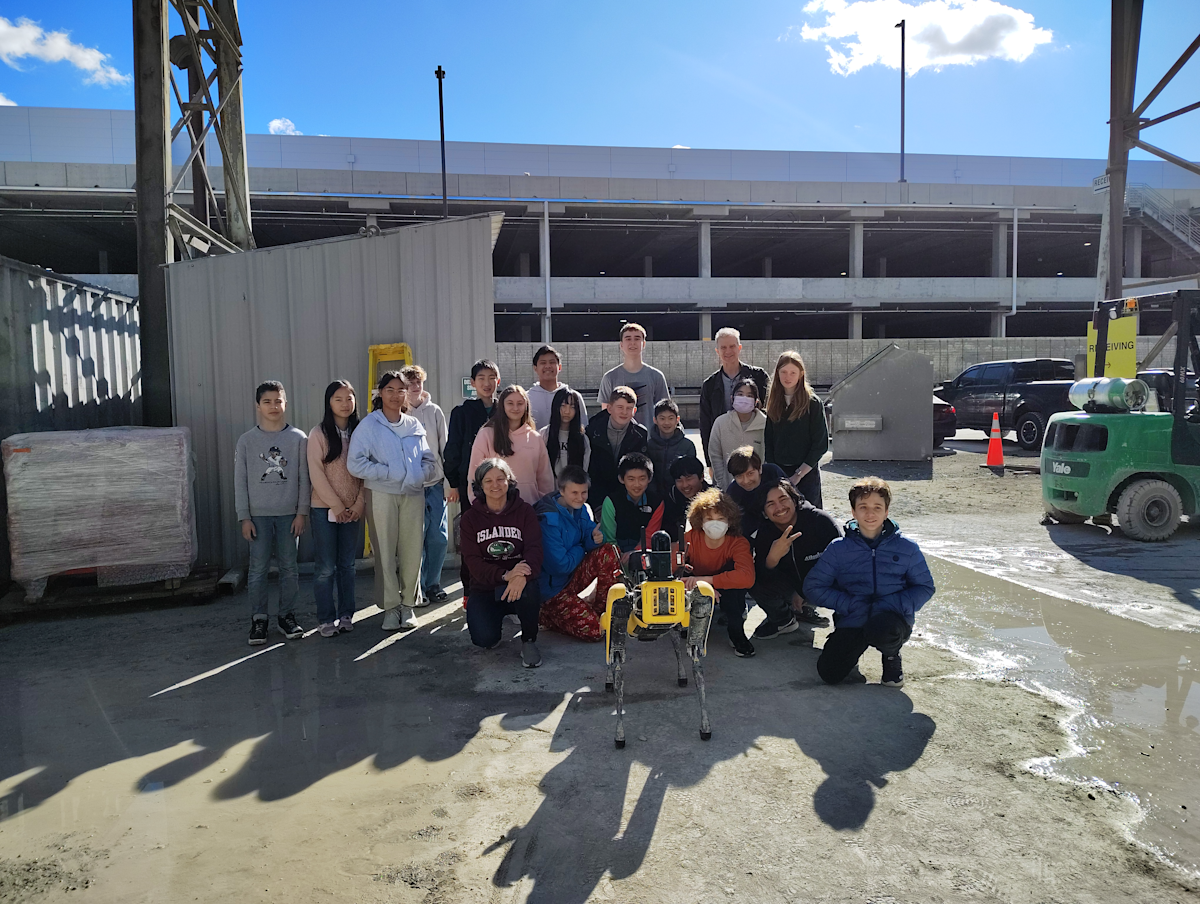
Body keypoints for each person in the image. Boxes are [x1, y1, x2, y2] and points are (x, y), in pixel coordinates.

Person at [804, 477, 936, 687]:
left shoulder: (907, 548)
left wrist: (889, 605)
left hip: (890, 619)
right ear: (853, 512)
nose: (870, 513)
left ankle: (891, 656)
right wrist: (848, 604)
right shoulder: (839, 548)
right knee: (829, 674)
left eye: (877, 507)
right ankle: (852, 650)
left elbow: (925, 587)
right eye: (863, 507)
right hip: (853, 616)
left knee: (883, 629)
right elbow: (813, 587)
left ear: (886, 511)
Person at [348, 372, 438, 632]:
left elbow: (429, 460)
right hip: (381, 495)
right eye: (390, 389)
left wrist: (418, 475)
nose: (396, 394)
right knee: (385, 552)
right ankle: (390, 608)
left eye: (401, 389)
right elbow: (356, 463)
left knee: (412, 551)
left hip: (413, 495)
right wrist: (389, 474)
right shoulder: (369, 425)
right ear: (380, 393)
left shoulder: (413, 425)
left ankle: (408, 605)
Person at [236, 380, 311, 646]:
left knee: (289, 568)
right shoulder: (246, 441)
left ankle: (286, 616)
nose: (273, 406)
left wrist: (301, 512)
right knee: (257, 570)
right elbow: (240, 481)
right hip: (258, 518)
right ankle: (259, 619)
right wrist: (245, 516)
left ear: (285, 404)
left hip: (289, 517)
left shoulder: (298, 438)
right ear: (258, 406)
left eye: (278, 401)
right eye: (267, 401)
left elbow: (304, 477)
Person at [460, 458, 544, 669]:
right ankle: (495, 621)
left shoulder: (524, 511)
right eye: (488, 481)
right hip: (486, 588)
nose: (495, 485)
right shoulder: (470, 519)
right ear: (479, 485)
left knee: (530, 588)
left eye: (500, 479)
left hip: (520, 584)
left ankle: (529, 640)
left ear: (510, 481)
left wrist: (520, 575)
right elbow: (473, 563)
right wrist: (506, 575)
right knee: (484, 640)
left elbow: (535, 550)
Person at [535, 465, 623, 642]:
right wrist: (582, 547)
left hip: (571, 577)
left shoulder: (580, 508)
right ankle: (546, 615)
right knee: (596, 632)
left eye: (584, 492)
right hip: (553, 589)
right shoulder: (547, 520)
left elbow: (591, 534)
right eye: (574, 492)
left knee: (609, 552)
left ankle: (601, 610)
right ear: (561, 490)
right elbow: (559, 565)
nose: (580, 497)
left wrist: (596, 538)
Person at [307, 380, 365, 637]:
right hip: (324, 509)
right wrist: (337, 505)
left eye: (349, 398)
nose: (345, 404)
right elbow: (316, 474)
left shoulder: (361, 432)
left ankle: (346, 614)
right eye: (338, 399)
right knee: (326, 567)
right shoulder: (318, 434)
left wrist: (358, 503)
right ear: (328, 403)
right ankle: (326, 618)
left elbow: (366, 472)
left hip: (353, 510)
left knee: (347, 565)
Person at [751, 480, 841, 639]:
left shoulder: (820, 521)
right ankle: (783, 619)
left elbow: (843, 565)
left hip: (824, 587)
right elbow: (761, 577)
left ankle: (845, 629)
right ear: (764, 511)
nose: (779, 507)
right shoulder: (765, 531)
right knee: (750, 579)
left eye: (783, 499)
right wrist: (773, 557)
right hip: (790, 589)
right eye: (770, 504)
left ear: (794, 499)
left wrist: (805, 590)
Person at [681, 489, 757, 658]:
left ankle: (736, 632)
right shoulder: (689, 538)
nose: (715, 523)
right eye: (709, 518)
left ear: (730, 521)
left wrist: (708, 581)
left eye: (721, 519)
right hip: (692, 587)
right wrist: (699, 586)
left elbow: (747, 577)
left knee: (735, 587)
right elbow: (672, 571)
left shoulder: (739, 542)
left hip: (723, 587)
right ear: (700, 521)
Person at [402, 364, 450, 604]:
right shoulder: (399, 413)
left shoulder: (434, 412)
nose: (414, 387)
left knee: (438, 538)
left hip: (436, 484)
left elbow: (445, 447)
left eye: (418, 382)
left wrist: (450, 483)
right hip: (411, 486)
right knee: (415, 538)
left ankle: (433, 583)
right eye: (410, 383)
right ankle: (416, 588)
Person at [469, 385, 555, 506]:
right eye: (510, 403)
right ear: (502, 405)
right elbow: (474, 475)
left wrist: (543, 507)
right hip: (495, 512)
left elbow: (545, 480)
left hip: (530, 510)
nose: (515, 408)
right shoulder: (486, 434)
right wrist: (480, 506)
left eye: (520, 403)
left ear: (526, 406)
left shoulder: (535, 438)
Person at [764, 350, 829, 509]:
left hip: (806, 473)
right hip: (780, 474)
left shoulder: (812, 403)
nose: (788, 377)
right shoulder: (774, 402)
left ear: (801, 374)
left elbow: (820, 444)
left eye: (793, 372)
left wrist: (799, 474)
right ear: (777, 373)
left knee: (808, 519)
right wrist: (775, 472)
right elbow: (769, 441)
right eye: (784, 372)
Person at [699, 327, 768, 471]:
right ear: (717, 351)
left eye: (732, 346)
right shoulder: (710, 385)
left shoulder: (759, 377)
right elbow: (705, 425)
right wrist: (710, 463)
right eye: (723, 347)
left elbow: (770, 412)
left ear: (740, 347)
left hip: (754, 444)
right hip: (725, 446)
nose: (728, 351)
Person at [444, 359, 500, 507]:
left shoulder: (504, 411)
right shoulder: (462, 413)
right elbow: (453, 449)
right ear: (473, 382)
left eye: (491, 378)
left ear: (498, 381)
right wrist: (453, 484)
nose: (487, 383)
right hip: (469, 481)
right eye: (481, 378)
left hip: (500, 480)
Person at [585, 386, 649, 511]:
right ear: (609, 408)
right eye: (620, 407)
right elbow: (590, 468)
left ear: (634, 411)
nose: (624, 412)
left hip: (624, 492)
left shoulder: (640, 434)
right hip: (596, 490)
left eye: (629, 408)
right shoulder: (592, 430)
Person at [597, 323, 669, 430]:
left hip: (650, 441)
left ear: (643, 344)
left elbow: (665, 412)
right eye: (628, 338)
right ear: (621, 345)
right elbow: (605, 414)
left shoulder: (656, 376)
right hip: (619, 442)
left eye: (637, 338)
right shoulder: (609, 377)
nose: (632, 343)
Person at [708, 377, 767, 491]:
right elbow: (715, 454)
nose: (744, 398)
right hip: (727, 488)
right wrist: (723, 483)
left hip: (758, 488)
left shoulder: (765, 424)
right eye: (740, 394)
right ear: (732, 398)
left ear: (756, 401)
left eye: (749, 395)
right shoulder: (721, 422)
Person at [599, 452, 664, 552]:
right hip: (615, 550)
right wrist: (618, 556)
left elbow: (650, 536)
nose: (637, 484)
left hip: (643, 550)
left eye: (642, 479)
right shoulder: (611, 501)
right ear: (621, 479)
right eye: (631, 479)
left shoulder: (657, 503)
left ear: (649, 478)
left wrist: (634, 554)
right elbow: (609, 538)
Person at [725, 446, 786, 540]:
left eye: (750, 473)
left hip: (784, 520)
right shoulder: (733, 493)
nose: (746, 481)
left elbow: (795, 498)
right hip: (756, 534)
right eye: (739, 476)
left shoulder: (773, 472)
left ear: (760, 468)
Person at [527, 344, 587, 431]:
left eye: (552, 362)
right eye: (543, 363)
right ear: (535, 368)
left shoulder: (573, 397)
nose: (548, 366)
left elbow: (583, 427)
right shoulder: (527, 397)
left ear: (559, 367)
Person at [646, 397, 691, 499]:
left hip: (679, 495)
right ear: (655, 420)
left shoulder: (687, 446)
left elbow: (690, 474)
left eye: (671, 418)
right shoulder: (648, 445)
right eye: (662, 418)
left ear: (677, 420)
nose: (666, 423)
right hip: (653, 496)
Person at [540, 387, 591, 476]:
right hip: (549, 488)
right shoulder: (544, 435)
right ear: (556, 406)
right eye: (563, 406)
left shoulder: (583, 439)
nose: (567, 411)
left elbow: (584, 471)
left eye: (572, 407)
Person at [663, 455, 711, 543]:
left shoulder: (715, 498)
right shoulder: (671, 496)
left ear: (702, 477)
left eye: (689, 479)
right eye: (679, 480)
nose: (685, 485)